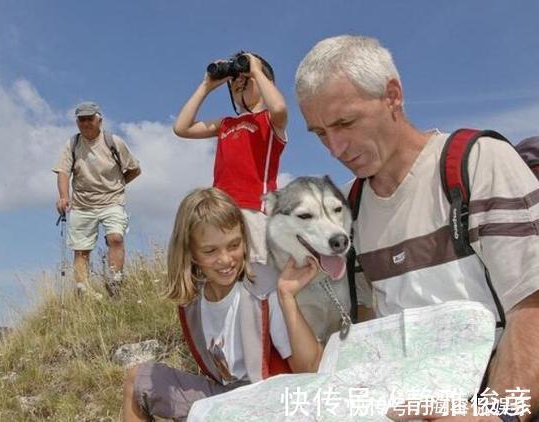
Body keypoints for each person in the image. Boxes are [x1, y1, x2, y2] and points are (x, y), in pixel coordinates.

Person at [295, 35, 539, 420]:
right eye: (320, 133)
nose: (335, 148)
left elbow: (532, 306)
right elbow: (372, 326)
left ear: (392, 96)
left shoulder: (477, 164)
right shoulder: (347, 211)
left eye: (345, 122)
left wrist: (496, 415)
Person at [122, 188, 322, 421]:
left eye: (234, 245)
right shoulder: (192, 303)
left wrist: (286, 296)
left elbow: (310, 370)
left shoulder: (263, 291)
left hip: (268, 402)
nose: (226, 259)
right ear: (191, 252)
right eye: (210, 251)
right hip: (224, 397)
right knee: (138, 380)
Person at [172, 52, 287, 273]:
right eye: (235, 79)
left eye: (246, 79)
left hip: (253, 208)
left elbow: (279, 107)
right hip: (220, 210)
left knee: (256, 272)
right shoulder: (225, 124)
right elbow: (182, 128)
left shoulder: (270, 121)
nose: (239, 82)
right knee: (220, 272)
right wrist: (207, 85)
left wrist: (255, 69)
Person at [53, 101, 141, 297]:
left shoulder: (113, 142)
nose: (85, 123)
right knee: (81, 249)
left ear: (99, 120)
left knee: (115, 238)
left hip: (112, 201)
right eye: (81, 119)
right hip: (83, 204)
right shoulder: (72, 144)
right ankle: (83, 290)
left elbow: (135, 169)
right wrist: (64, 197)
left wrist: (118, 184)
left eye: (89, 119)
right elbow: (63, 172)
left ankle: (115, 282)